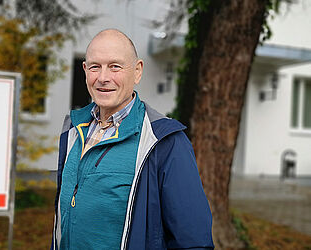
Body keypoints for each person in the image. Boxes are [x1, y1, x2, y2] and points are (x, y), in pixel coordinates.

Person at [51, 29, 214, 250]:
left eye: (115, 66)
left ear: (137, 71)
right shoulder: (72, 130)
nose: (103, 78)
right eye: (95, 66)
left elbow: (193, 241)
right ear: (85, 70)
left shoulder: (165, 141)